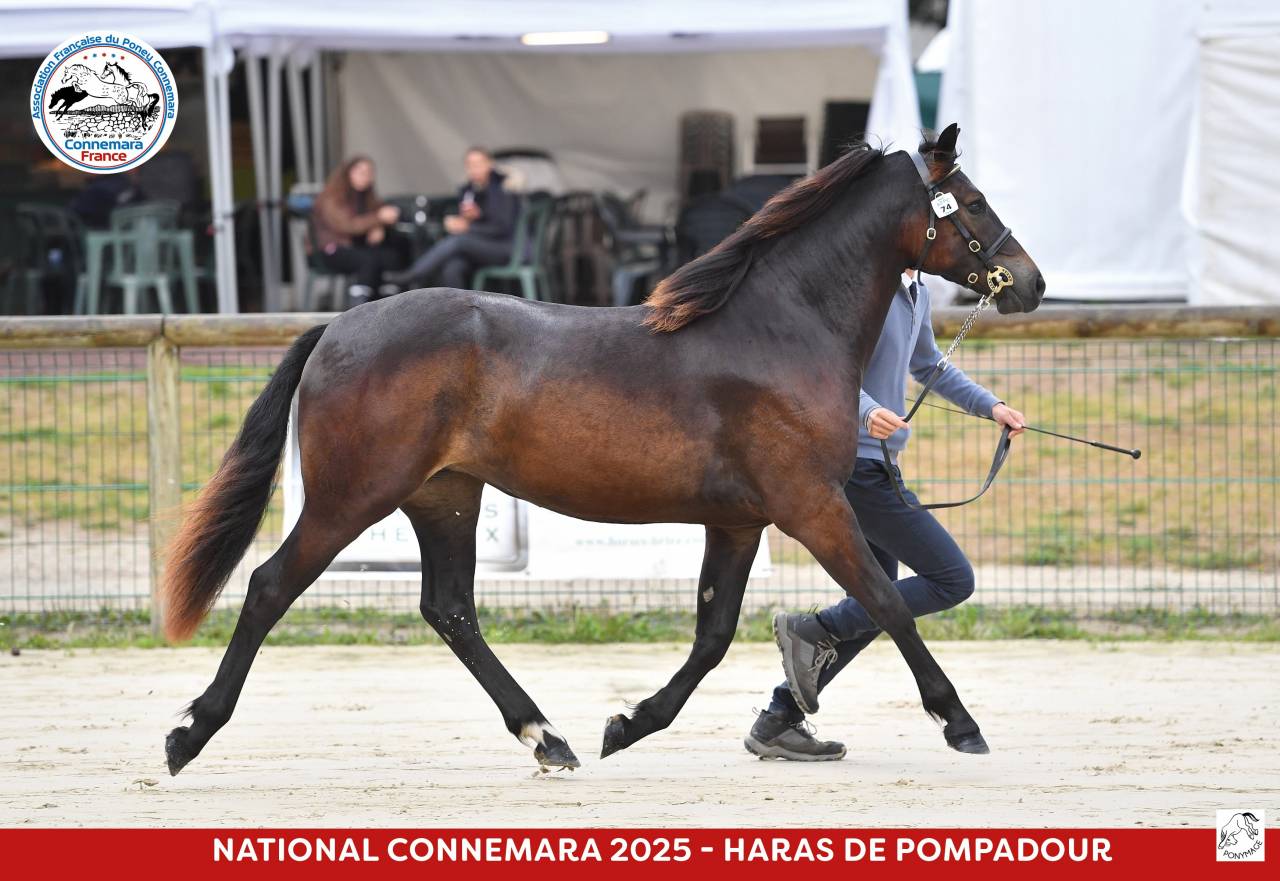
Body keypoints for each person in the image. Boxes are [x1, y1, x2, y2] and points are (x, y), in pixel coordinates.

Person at [743, 269, 1027, 761]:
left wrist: (991, 406)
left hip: (879, 463)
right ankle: (814, 629)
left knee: (879, 605)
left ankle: (778, 718)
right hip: (851, 464)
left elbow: (929, 365)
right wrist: (863, 408)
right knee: (951, 578)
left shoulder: (914, 291)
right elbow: (814, 366)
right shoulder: (859, 284)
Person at [388, 147, 518, 290]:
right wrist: (467, 219)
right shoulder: (471, 190)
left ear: (489, 164)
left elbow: (502, 227)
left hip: (506, 248)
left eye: (478, 164)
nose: (474, 169)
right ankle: (457, 310)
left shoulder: (502, 188)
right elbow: (481, 220)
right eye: (469, 165)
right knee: (452, 267)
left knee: (459, 241)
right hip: (483, 247)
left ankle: (413, 274)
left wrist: (468, 226)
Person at [312, 155, 401, 307]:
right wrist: (378, 219)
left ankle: (387, 304)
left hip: (358, 247)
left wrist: (379, 226)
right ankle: (359, 307)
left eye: (369, 172)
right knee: (367, 260)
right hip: (333, 249)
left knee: (390, 256)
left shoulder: (368, 197)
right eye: (360, 172)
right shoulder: (332, 197)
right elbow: (347, 225)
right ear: (348, 173)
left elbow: (374, 217)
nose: (365, 176)